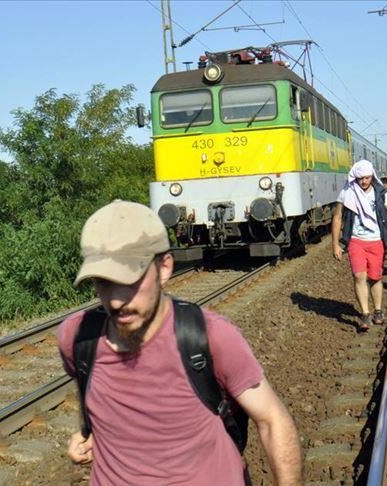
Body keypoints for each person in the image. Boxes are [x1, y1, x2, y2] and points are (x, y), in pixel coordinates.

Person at [58, 200, 302, 485]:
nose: (115, 301)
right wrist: (92, 435)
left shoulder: (210, 338)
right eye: (103, 282)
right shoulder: (78, 338)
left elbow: (272, 421)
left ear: (164, 268)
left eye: (130, 281)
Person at [332, 160, 387, 332]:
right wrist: (335, 244)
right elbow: (337, 217)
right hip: (355, 240)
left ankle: (378, 310)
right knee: (359, 276)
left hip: (377, 240)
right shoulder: (347, 192)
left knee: (375, 277)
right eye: (361, 178)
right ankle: (365, 313)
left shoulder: (381, 193)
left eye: (367, 178)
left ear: (372, 176)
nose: (364, 181)